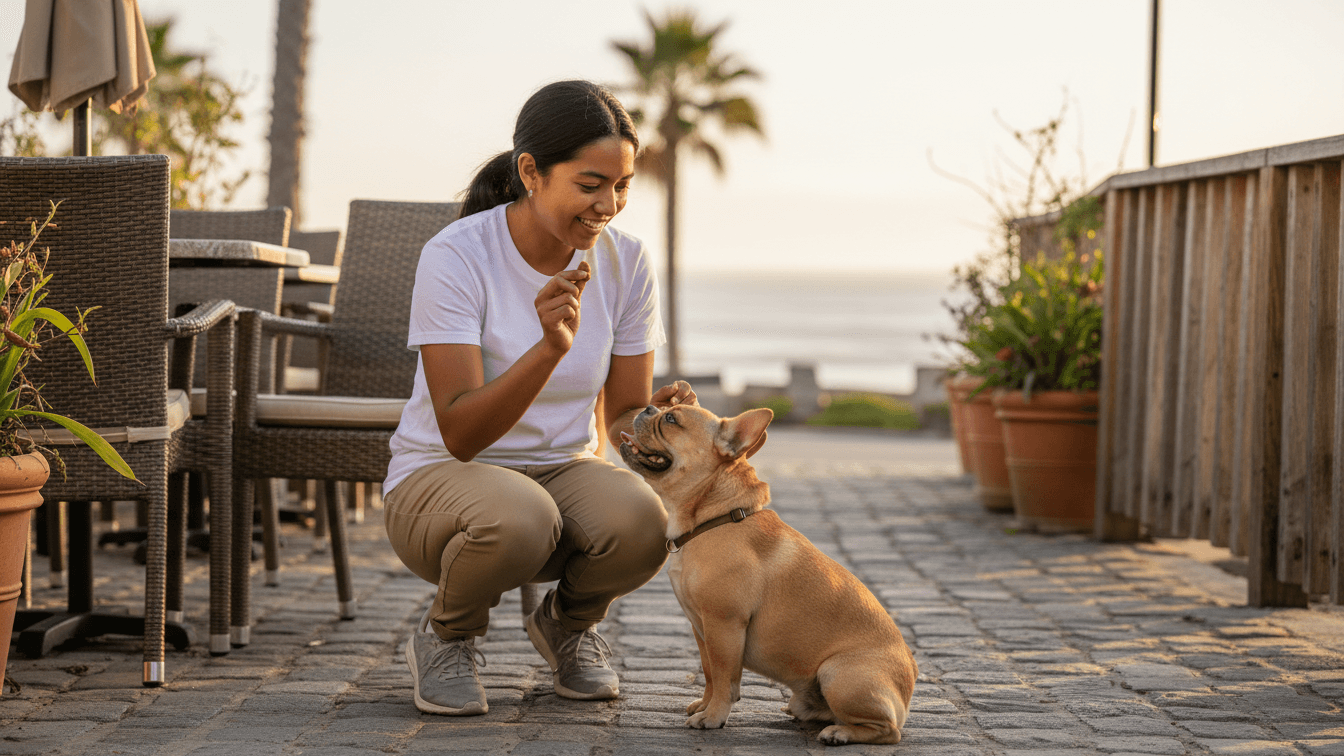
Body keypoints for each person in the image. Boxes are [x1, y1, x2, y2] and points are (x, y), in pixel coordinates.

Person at [381, 79, 694, 717]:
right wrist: (548, 348)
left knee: (646, 520)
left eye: (623, 185)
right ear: (531, 171)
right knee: (522, 515)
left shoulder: (626, 262)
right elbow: (462, 434)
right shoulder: (458, 256)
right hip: (443, 480)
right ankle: (447, 636)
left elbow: (622, 415)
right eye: (589, 184)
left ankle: (568, 625)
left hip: (562, 472)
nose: (609, 204)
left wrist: (658, 421)